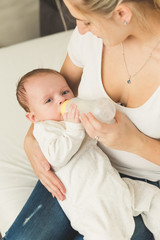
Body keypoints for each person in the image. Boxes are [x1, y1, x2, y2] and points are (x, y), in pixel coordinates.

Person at [2, 0, 160, 239]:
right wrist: (31, 138)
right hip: (78, 166)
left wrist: (135, 142)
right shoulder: (89, 37)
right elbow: (50, 97)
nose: (80, 29)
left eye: (87, 21)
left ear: (122, 13)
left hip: (145, 181)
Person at [16, 68, 160, 240]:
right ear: (33, 118)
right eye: (48, 100)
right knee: (107, 234)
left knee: (153, 197)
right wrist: (74, 127)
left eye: (65, 92)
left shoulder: (76, 114)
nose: (62, 100)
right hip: (91, 203)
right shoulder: (45, 129)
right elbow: (57, 156)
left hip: (115, 185)